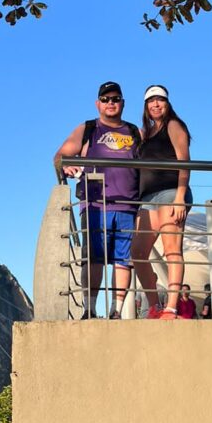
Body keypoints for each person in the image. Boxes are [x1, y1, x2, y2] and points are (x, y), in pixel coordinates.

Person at [54, 81, 140, 318]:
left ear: (122, 102)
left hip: (128, 205)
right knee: (93, 258)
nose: (110, 103)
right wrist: (68, 165)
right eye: (105, 99)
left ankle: (117, 310)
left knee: (123, 259)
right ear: (97, 103)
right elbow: (60, 155)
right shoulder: (88, 128)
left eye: (115, 99)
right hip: (94, 205)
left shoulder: (135, 132)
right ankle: (89, 309)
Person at [132, 85, 192, 320]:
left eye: (160, 100)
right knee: (137, 252)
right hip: (148, 198)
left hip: (170, 193)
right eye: (151, 101)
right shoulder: (145, 134)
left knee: (171, 250)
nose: (156, 104)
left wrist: (180, 197)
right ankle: (154, 304)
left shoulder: (174, 125)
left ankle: (172, 307)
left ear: (167, 103)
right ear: (146, 106)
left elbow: (184, 162)